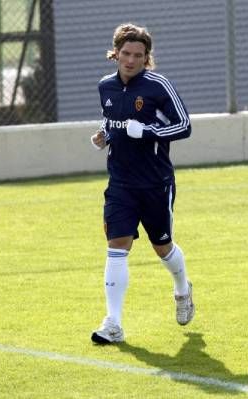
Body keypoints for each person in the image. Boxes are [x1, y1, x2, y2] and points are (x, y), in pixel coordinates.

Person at [90, 23, 194, 344]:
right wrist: (103, 136)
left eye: (138, 55)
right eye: (125, 54)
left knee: (163, 248)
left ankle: (182, 289)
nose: (131, 60)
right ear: (116, 54)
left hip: (155, 183)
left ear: (147, 57)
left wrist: (147, 132)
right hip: (120, 184)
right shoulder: (105, 86)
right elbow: (113, 123)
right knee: (117, 246)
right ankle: (113, 323)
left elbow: (184, 125)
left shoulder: (158, 86)